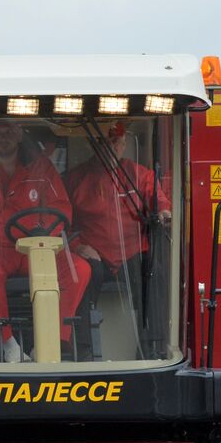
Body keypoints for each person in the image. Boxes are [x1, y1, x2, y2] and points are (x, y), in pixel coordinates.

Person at [0, 119, 90, 363]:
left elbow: (61, 209)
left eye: (9, 130)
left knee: (79, 270)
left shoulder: (41, 168)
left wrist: (48, 235)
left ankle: (56, 340)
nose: (3, 136)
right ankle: (8, 343)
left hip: (36, 248)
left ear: (20, 134)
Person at [64, 121, 172, 329]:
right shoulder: (75, 179)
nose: (111, 148)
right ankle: (82, 347)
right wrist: (77, 246)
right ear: (93, 145)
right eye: (104, 143)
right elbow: (61, 222)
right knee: (80, 274)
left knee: (153, 272)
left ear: (123, 143)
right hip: (94, 254)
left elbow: (158, 200)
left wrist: (164, 212)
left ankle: (153, 344)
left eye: (116, 142)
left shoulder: (140, 175)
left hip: (131, 254)